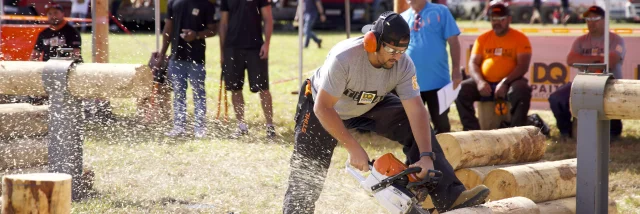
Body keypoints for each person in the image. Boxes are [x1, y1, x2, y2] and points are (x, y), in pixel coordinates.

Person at [282, 11, 490, 214]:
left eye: (402, 51)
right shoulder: (344, 58)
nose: (397, 57)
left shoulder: (403, 64)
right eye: (392, 51)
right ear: (372, 43)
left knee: (411, 123)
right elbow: (323, 107)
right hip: (323, 107)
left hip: (369, 102)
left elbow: (416, 109)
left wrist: (426, 155)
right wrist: (353, 147)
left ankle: (450, 197)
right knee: (307, 172)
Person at [548, 5, 625, 141]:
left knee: (609, 103)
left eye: (595, 19)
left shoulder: (616, 40)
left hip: (609, 83)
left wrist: (585, 61)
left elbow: (610, 61)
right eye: (588, 19)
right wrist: (598, 59)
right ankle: (566, 132)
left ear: (605, 20)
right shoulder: (580, 41)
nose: (591, 23)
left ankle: (613, 132)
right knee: (556, 98)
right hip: (582, 83)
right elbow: (571, 59)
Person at [455, 3, 533, 131]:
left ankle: (516, 131)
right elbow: (473, 63)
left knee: (521, 90)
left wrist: (505, 82)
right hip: (485, 84)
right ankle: (472, 132)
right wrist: (480, 82)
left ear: (509, 19)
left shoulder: (520, 38)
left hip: (510, 82)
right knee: (460, 90)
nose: (496, 23)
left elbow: (522, 66)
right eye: (493, 19)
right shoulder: (482, 39)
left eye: (501, 19)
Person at [401, 0, 462, 135]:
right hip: (411, 84)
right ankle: (418, 155)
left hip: (438, 81)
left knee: (441, 125)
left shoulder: (441, 11)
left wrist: (456, 69)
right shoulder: (402, 17)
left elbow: (454, 42)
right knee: (413, 125)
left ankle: (444, 154)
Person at [158, 0, 217, 138]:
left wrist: (196, 35)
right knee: (178, 93)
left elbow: (213, 30)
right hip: (176, 57)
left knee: (199, 93)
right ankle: (179, 127)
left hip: (197, 58)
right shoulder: (173, 3)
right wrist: (162, 54)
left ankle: (199, 128)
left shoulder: (206, 5)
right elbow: (168, 28)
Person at [219, 0, 275, 138]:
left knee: (263, 88)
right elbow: (224, 23)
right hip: (232, 48)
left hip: (255, 48)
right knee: (235, 88)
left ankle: (270, 126)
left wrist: (267, 44)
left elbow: (268, 19)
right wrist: (222, 52)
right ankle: (241, 126)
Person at [28, 3, 83, 105]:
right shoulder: (43, 34)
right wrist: (30, 70)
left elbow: (76, 53)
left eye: (56, 13)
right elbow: (35, 55)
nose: (53, 16)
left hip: (66, 70)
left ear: (62, 13)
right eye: (50, 13)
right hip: (47, 70)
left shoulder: (71, 31)